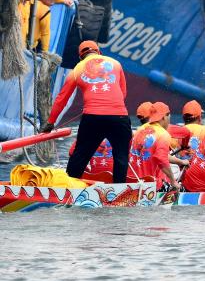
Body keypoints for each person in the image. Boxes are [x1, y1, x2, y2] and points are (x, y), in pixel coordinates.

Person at [44, 41, 132, 182]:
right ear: (99, 52)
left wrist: (50, 122)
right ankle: (119, 191)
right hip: (119, 117)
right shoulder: (115, 63)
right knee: (121, 156)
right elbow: (123, 94)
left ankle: (68, 187)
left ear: (81, 56)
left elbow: (61, 99)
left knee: (80, 155)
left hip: (92, 118)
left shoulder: (77, 69)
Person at [127, 102, 182, 189]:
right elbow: (161, 158)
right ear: (164, 117)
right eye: (169, 115)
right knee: (181, 188)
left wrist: (181, 162)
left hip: (131, 182)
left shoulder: (139, 130)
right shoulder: (163, 134)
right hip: (150, 186)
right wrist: (173, 181)